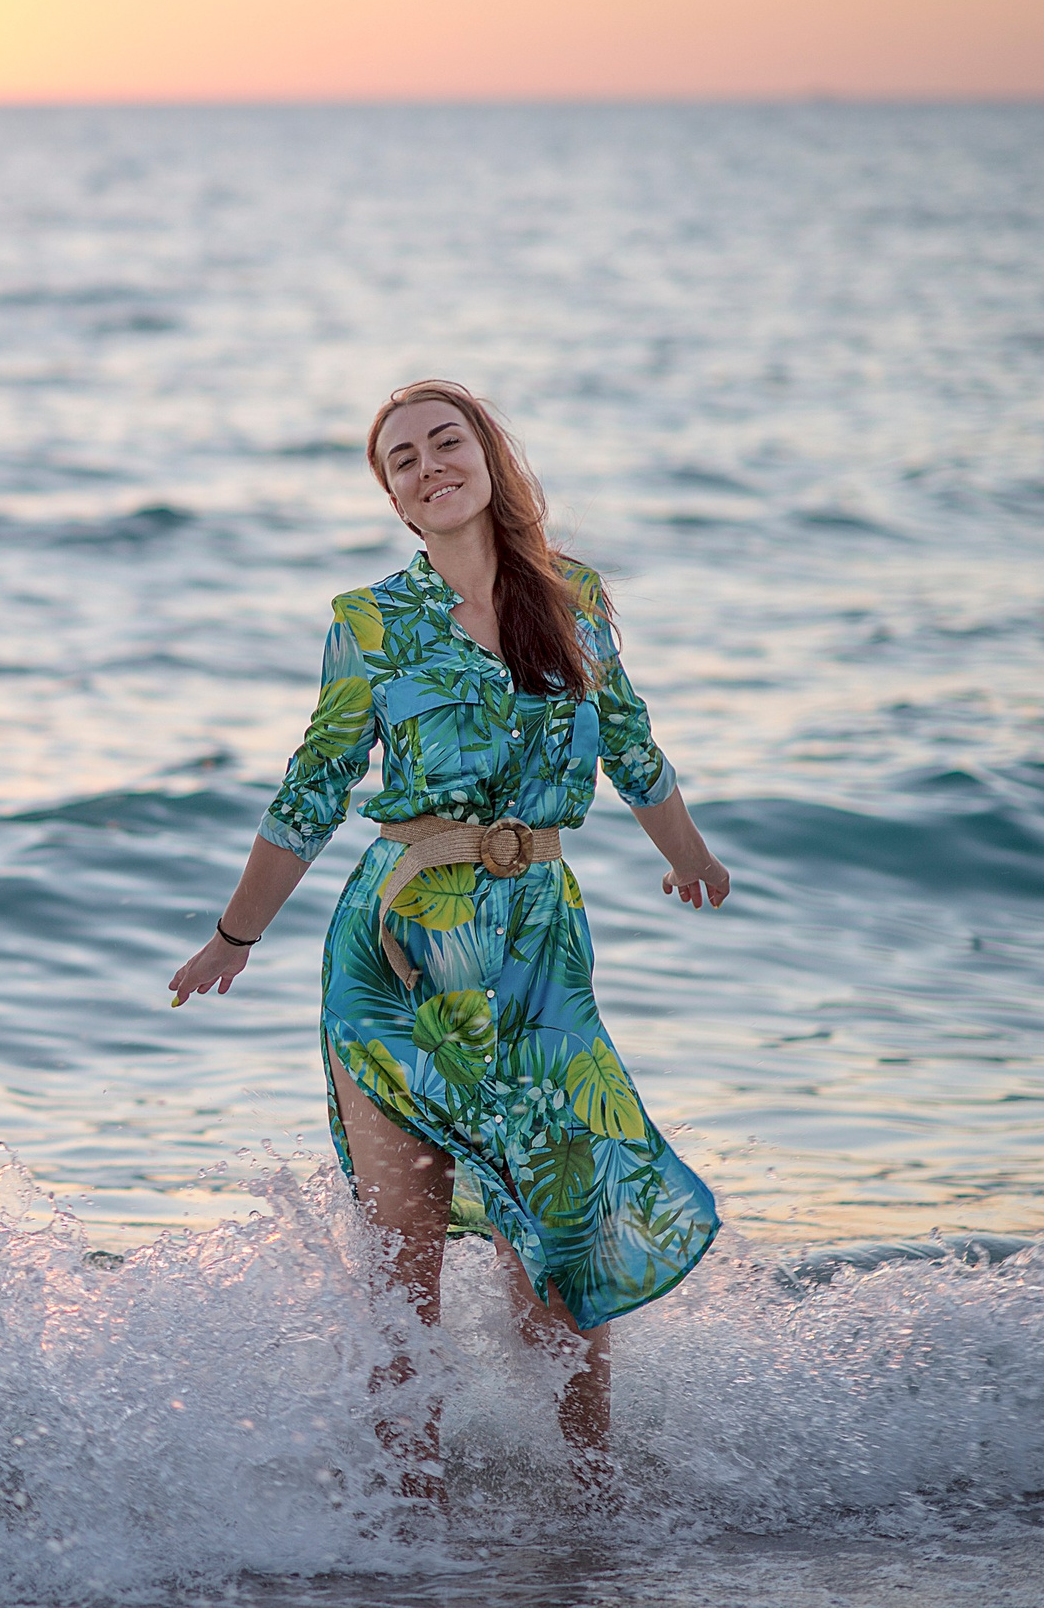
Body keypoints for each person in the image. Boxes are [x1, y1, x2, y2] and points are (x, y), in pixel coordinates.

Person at [169, 380, 726, 1500]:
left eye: (446, 441)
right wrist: (236, 934)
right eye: (403, 461)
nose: (430, 466)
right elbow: (312, 789)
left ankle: (586, 1506)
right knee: (405, 1267)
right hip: (398, 958)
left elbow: (630, 742)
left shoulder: (574, 595)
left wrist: (688, 851)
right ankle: (402, 1530)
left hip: (535, 961)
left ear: (487, 454)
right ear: (395, 500)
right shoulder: (369, 622)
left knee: (561, 1245)